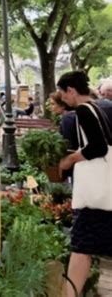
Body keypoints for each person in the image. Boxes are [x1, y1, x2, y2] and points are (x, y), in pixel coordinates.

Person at [57, 71, 112, 297]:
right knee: (84, 247)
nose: (62, 98)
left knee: (80, 248)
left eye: (62, 93)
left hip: (94, 198)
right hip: (104, 194)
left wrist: (69, 159)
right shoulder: (98, 107)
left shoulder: (83, 110)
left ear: (71, 90)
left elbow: (98, 147)